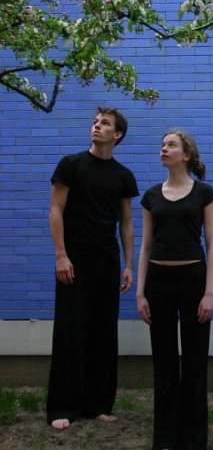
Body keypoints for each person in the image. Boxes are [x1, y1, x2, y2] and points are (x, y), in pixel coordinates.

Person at [47, 107, 139, 430]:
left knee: (102, 332)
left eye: (105, 124)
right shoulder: (71, 165)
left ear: (118, 135)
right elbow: (56, 210)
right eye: (95, 122)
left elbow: (127, 222)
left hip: (108, 262)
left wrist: (129, 265)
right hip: (74, 261)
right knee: (71, 330)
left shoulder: (123, 175)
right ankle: (62, 406)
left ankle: (98, 404)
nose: (97, 127)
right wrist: (61, 254)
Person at [136, 130, 213, 450]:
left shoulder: (204, 193)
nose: (164, 148)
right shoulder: (151, 196)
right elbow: (144, 246)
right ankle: (165, 438)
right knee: (165, 361)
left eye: (171, 145)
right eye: (162, 144)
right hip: (159, 282)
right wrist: (140, 292)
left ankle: (195, 438)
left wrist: (210, 292)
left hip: (194, 279)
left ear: (186, 155)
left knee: (195, 361)